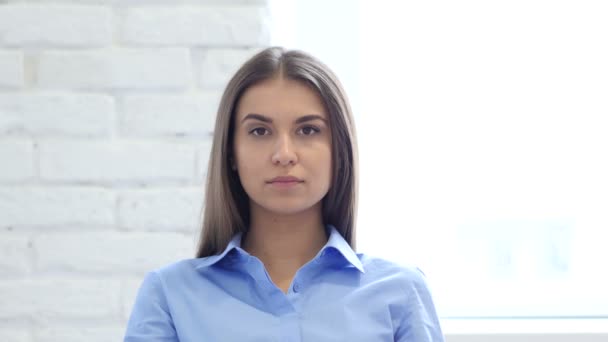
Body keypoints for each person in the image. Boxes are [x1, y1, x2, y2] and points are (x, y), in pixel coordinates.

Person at [124, 47, 444, 341]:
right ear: (231, 152)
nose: (284, 154)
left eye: (308, 130)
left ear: (339, 150)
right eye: (260, 131)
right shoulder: (170, 295)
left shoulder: (401, 291)